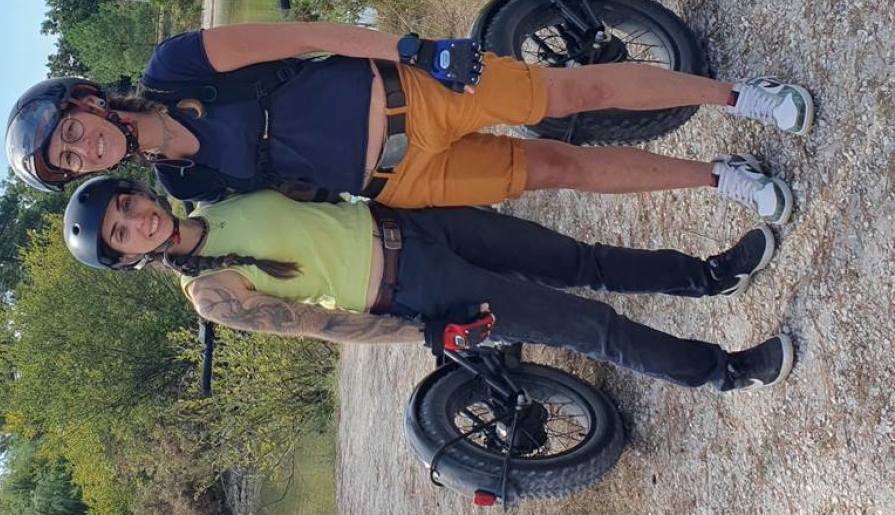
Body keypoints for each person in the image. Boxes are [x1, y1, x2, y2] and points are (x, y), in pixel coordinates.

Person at [7, 23, 814, 223]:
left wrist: (415, 49)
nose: (81, 149)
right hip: (402, 180)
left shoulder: (175, 66)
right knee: (560, 172)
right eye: (69, 161)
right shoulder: (182, 186)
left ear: (83, 102)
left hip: (409, 95)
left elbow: (305, 37)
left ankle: (739, 96)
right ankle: (723, 179)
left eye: (69, 132)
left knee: (565, 98)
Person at [61, 176, 795, 392]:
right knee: (586, 325)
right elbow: (321, 326)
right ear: (127, 259)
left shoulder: (219, 202)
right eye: (120, 236)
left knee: (580, 258)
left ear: (136, 193)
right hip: (416, 291)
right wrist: (425, 335)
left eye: (124, 206)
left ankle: (708, 275)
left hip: (414, 223)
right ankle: (725, 371)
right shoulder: (211, 295)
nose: (134, 221)